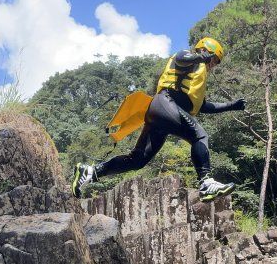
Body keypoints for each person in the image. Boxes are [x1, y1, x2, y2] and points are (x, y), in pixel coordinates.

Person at [72, 36, 246, 201]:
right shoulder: (190, 59)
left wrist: (232, 105)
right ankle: (206, 182)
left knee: (137, 160)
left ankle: (90, 172)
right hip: (165, 103)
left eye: (215, 63)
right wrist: (201, 57)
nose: (212, 65)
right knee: (199, 136)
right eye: (214, 60)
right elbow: (180, 58)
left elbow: (202, 106)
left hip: (163, 113)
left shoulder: (197, 74)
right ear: (206, 50)